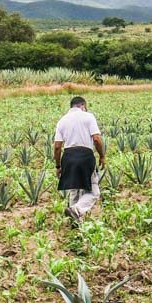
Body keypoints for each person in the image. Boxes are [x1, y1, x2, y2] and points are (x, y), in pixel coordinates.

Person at [53, 96, 106, 225]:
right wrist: (102, 156)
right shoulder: (88, 116)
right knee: (93, 192)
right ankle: (77, 209)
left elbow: (57, 146)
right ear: (82, 105)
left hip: (68, 157)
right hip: (85, 156)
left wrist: (58, 166)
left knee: (74, 189)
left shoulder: (62, 120)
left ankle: (75, 222)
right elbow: (97, 139)